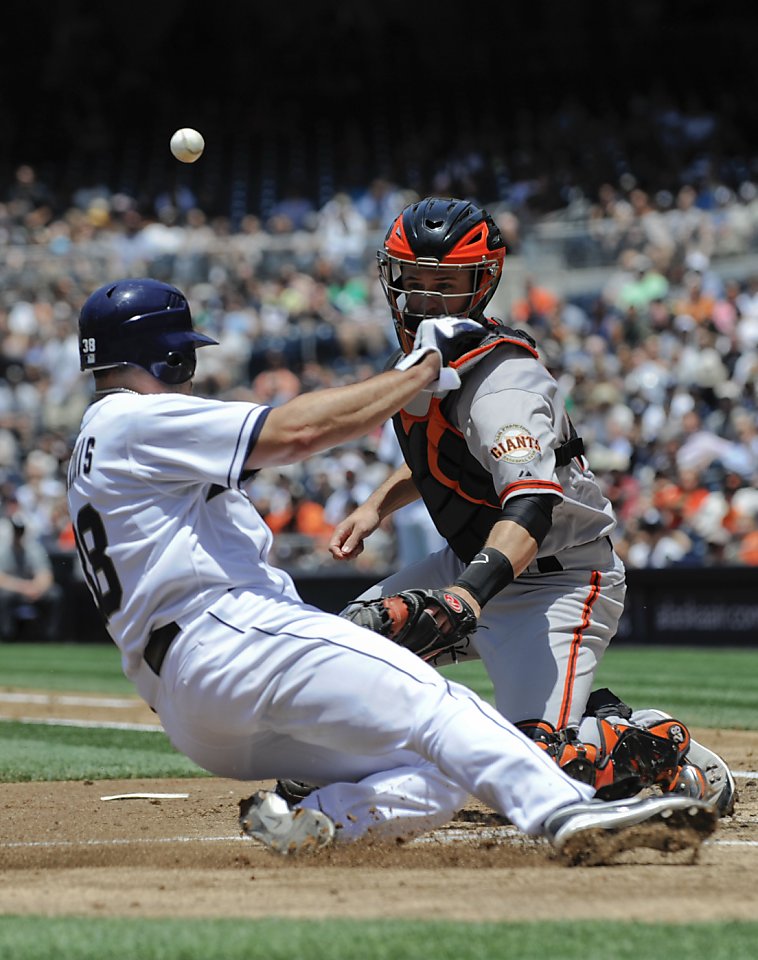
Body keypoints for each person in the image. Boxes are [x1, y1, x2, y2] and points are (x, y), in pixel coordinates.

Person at [65, 277, 715, 859]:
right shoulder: (137, 418)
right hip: (232, 639)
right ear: (169, 355)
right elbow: (293, 433)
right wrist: (424, 370)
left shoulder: (96, 441)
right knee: (440, 708)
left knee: (443, 766)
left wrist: (378, 497)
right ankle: (567, 813)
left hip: (188, 711)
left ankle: (319, 820)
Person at [329, 197, 735, 815]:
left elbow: (530, 505)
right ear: (394, 279)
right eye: (417, 281)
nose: (428, 299)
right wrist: (376, 507)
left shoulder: (503, 381)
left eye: (447, 284)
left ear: (482, 284)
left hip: (555, 578)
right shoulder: (427, 364)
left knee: (535, 775)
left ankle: (656, 744)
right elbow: (441, 454)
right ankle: (593, 715)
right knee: (335, 657)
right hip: (471, 562)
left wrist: (465, 597)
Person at [0, 511, 64, 642]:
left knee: (54, 594)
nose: (18, 534)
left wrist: (36, 588)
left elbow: (46, 575)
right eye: (16, 531)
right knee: (3, 596)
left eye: (20, 531)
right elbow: (1, 579)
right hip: (14, 590)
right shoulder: (4, 549)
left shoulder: (34, 548)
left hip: (34, 590)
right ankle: (7, 635)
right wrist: (24, 588)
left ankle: (49, 636)